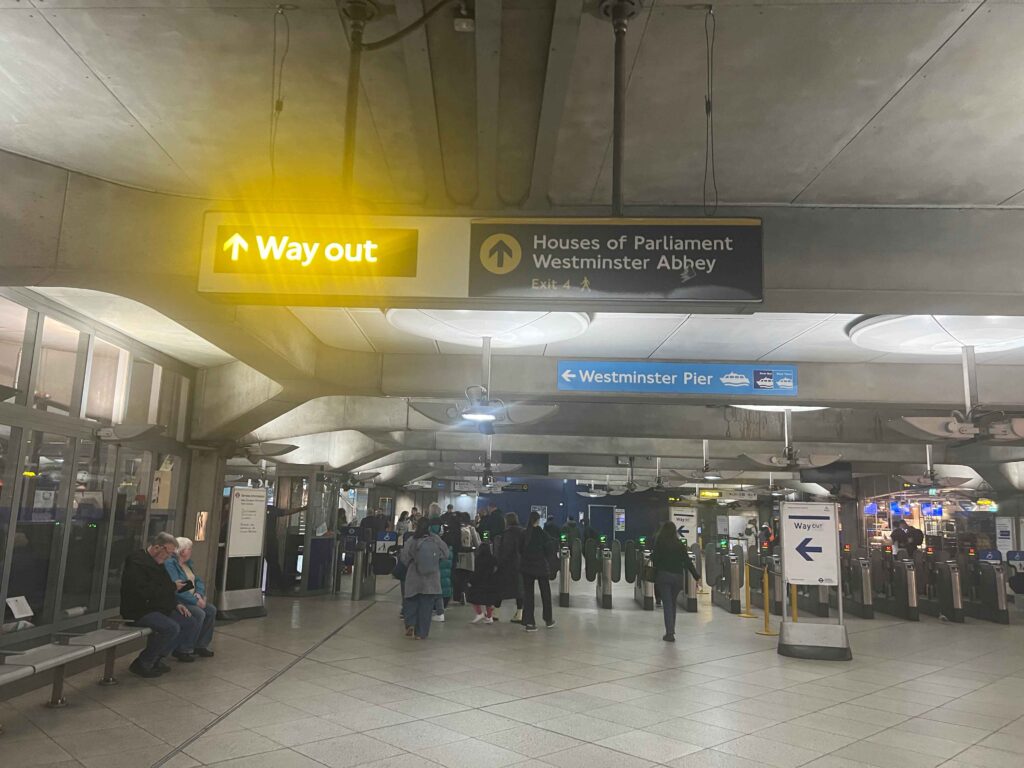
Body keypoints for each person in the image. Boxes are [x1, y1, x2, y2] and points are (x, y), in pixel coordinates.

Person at [120, 532, 199, 677]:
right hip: (139, 609)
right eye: (168, 553)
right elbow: (143, 591)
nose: (169, 557)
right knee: (171, 627)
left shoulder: (159, 562)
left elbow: (166, 586)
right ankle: (143, 662)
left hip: (158, 606)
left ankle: (158, 657)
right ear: (157, 547)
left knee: (189, 622)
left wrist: (175, 604)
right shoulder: (137, 562)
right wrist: (172, 588)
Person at [164, 537, 216, 658]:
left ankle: (201, 645)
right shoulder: (171, 564)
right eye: (189, 549)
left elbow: (197, 580)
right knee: (199, 613)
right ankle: (184, 648)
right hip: (181, 600)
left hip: (193, 597)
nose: (191, 551)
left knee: (211, 610)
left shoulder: (188, 564)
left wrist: (199, 594)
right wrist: (195, 601)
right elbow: (178, 588)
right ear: (182, 551)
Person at [399, 516, 449, 639]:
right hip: (431, 579)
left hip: (414, 576)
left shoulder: (412, 540)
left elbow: (404, 557)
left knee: (410, 601)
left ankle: (410, 624)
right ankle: (421, 634)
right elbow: (446, 554)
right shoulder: (436, 540)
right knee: (426, 607)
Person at [651, 521, 701, 642]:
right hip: (678, 578)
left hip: (664, 576)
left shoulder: (660, 543)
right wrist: (696, 576)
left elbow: (655, 559)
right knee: (672, 604)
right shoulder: (679, 544)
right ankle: (671, 630)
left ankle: (669, 633)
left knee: (667, 604)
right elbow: (688, 561)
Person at [520, 510, 557, 631]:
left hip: (527, 568)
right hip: (541, 568)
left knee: (528, 595)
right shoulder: (543, 534)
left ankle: (529, 622)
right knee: (545, 594)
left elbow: (520, 550)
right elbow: (549, 550)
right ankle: (548, 619)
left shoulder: (524, 534)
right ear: (538, 520)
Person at [496, 512, 525, 623]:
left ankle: (496, 612)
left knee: (500, 588)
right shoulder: (523, 532)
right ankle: (519, 613)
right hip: (520, 565)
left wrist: (498, 562)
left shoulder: (508, 533)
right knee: (519, 590)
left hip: (508, 565)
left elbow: (505, 551)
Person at [427, 503, 454, 621]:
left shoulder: (431, 524)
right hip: (447, 552)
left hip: (435, 554)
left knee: (435, 582)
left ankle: (437, 609)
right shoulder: (445, 523)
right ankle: (442, 606)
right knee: (444, 579)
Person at [466, 541, 499, 624]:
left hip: (479, 584)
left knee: (473, 598)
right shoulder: (493, 559)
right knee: (489, 601)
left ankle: (479, 613)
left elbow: (476, 573)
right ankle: (489, 617)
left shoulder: (478, 559)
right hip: (491, 584)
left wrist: (470, 581)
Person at [453, 512, 481, 605]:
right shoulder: (471, 529)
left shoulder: (456, 528)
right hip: (469, 557)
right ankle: (465, 593)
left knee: (458, 577)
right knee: (466, 577)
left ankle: (457, 595)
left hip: (458, 556)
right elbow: (477, 544)